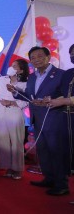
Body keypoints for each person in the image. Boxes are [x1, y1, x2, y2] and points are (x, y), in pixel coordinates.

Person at [7, 46, 68, 196]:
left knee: (56, 151)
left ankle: (62, 184)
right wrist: (15, 91)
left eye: (40, 56)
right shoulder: (33, 77)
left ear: (48, 57)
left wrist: (53, 101)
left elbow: (67, 97)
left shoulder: (61, 74)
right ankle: (49, 178)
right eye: (33, 58)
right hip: (38, 119)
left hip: (55, 118)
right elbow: (29, 96)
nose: (36, 60)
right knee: (43, 151)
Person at [0, 59, 29, 179]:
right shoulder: (2, 79)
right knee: (3, 141)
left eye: (15, 66)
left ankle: (17, 169)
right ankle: (7, 167)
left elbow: (26, 101)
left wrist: (11, 103)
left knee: (16, 140)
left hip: (15, 112)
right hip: (0, 111)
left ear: (21, 70)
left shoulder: (25, 83)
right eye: (11, 66)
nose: (11, 68)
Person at [46, 44, 74, 203]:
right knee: (67, 155)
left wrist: (68, 100)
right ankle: (63, 185)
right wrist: (48, 100)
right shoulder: (68, 73)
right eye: (71, 53)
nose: (72, 56)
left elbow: (66, 98)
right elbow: (59, 93)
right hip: (67, 120)